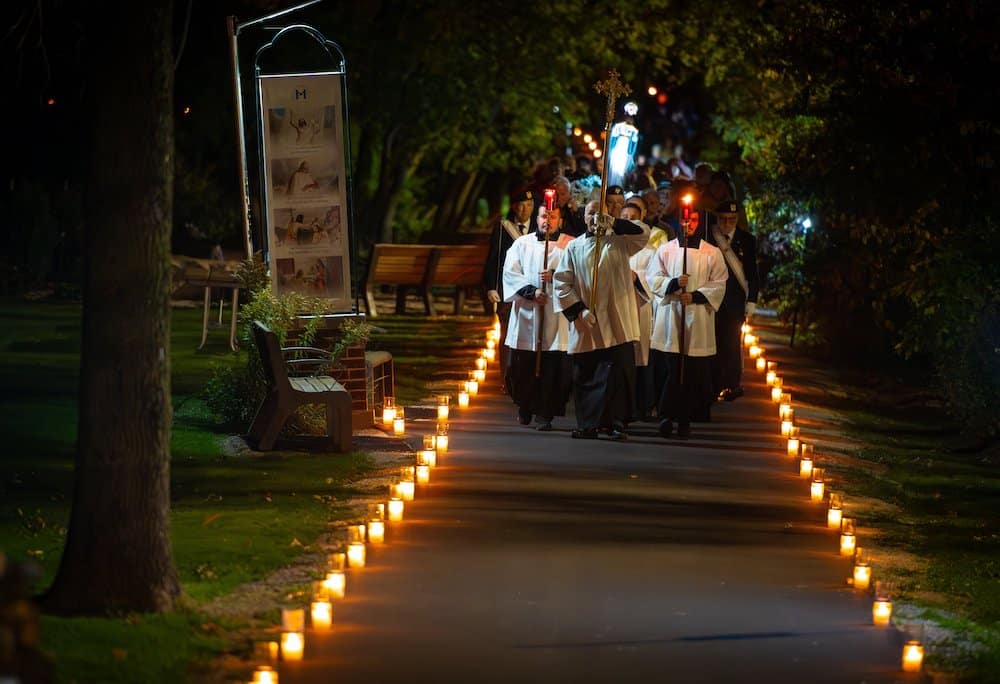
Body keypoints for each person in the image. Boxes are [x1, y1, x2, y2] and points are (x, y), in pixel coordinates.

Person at [554, 196, 649, 440]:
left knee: (618, 375)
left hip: (618, 322)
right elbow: (562, 283)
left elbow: (643, 233)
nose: (596, 219)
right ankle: (588, 423)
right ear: (584, 217)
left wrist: (614, 223)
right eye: (591, 214)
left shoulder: (621, 242)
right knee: (588, 376)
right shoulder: (574, 248)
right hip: (589, 321)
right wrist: (578, 311)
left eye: (601, 214)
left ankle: (616, 423)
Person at [646, 207, 728, 439]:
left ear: (698, 222)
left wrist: (695, 296)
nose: (688, 224)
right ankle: (666, 415)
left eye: (692, 220)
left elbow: (719, 283)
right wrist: (673, 283)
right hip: (672, 316)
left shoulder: (711, 252)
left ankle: (683, 418)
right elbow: (654, 277)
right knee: (672, 369)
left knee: (690, 372)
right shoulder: (666, 249)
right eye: (685, 219)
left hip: (697, 316)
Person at [502, 206, 572, 431]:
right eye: (544, 216)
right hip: (527, 315)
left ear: (560, 221)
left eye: (552, 217)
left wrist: (555, 276)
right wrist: (532, 292)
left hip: (556, 318)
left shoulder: (571, 245)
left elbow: (579, 275)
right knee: (523, 367)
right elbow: (510, 274)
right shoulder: (522, 244)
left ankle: (545, 413)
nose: (547, 221)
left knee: (552, 367)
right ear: (537, 218)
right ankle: (525, 405)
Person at [706, 200, 760, 401]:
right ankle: (713, 385)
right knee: (712, 344)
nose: (727, 223)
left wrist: (752, 300)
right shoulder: (709, 237)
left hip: (735, 302)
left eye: (731, 219)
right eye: (723, 219)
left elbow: (752, 273)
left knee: (731, 345)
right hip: (712, 299)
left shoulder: (747, 240)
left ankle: (731, 384)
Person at [485, 189, 537, 386]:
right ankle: (505, 379)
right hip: (507, 291)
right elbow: (493, 259)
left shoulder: (538, 227)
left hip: (532, 290)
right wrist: (491, 287)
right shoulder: (503, 228)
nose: (526, 209)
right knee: (506, 334)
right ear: (515, 206)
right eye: (522, 205)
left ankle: (527, 378)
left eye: (530, 205)